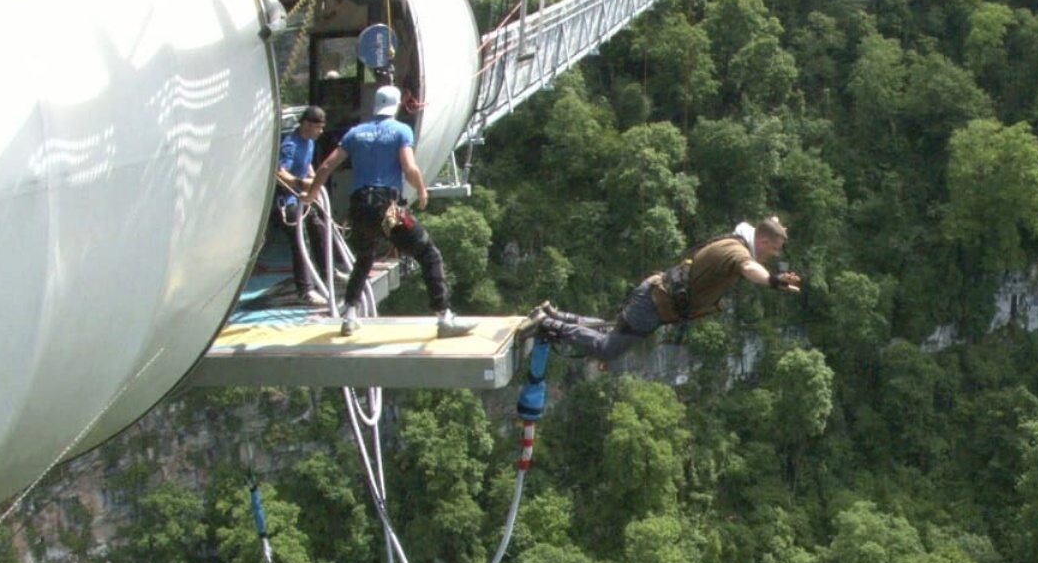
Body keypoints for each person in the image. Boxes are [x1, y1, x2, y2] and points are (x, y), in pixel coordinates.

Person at [302, 85, 473, 338]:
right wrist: (422, 191)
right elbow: (409, 167)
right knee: (428, 253)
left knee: (364, 257)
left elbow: (327, 165)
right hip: (386, 209)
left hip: (358, 208)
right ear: (396, 106)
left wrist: (312, 194)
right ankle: (444, 315)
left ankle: (349, 315)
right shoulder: (400, 131)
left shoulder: (355, 133)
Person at [535, 216, 802, 363]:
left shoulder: (738, 241)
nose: (775, 254)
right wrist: (773, 281)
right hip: (654, 304)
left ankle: (556, 317)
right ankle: (548, 324)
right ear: (763, 240)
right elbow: (749, 268)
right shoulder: (737, 252)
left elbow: (766, 233)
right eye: (775, 248)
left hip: (655, 295)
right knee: (607, 349)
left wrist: (775, 223)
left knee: (612, 330)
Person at [275, 105, 337, 307]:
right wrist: (302, 184)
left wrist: (314, 182)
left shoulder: (309, 142)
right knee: (301, 242)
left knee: (319, 229)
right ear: (306, 124)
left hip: (304, 199)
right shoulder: (290, 145)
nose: (320, 132)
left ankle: (328, 273)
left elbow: (307, 165)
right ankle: (305, 290)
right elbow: (280, 174)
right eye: (317, 127)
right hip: (289, 201)